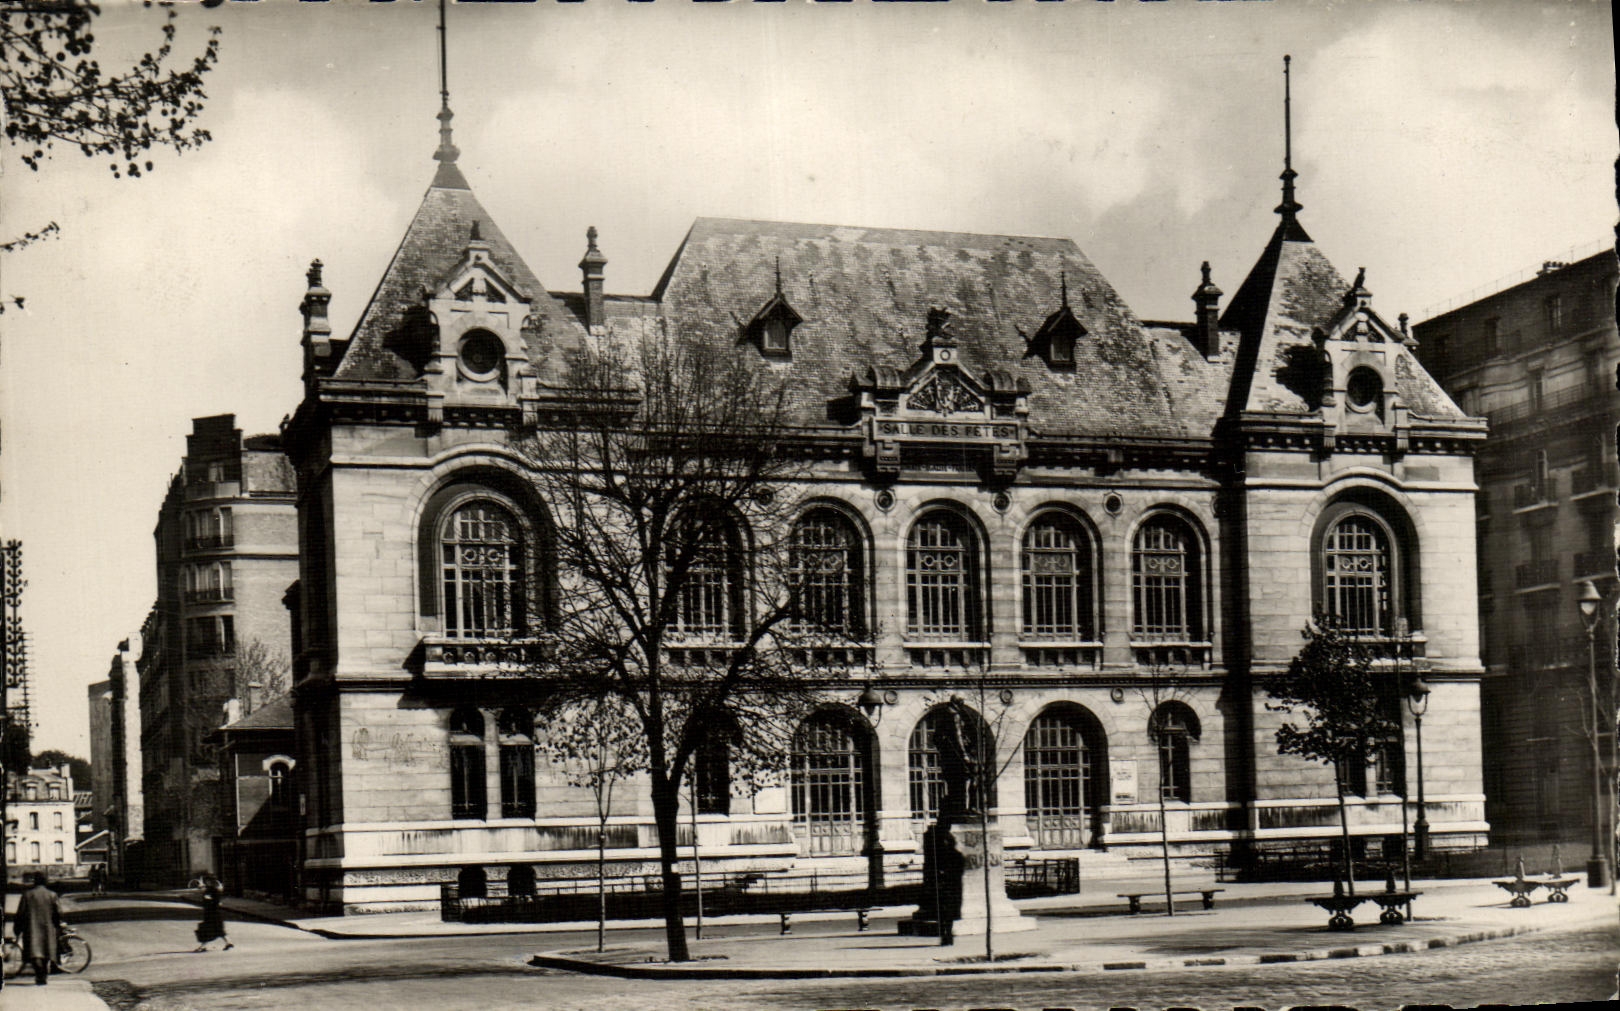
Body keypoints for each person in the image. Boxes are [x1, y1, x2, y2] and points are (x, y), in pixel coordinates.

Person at [16, 872, 62, 986]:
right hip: (48, 927)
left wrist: (18, 928)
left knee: (35, 952)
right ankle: (43, 975)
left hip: (31, 927)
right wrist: (57, 924)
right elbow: (59, 912)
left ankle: (39, 974)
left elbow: (20, 913)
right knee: (46, 950)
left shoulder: (27, 895)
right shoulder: (52, 895)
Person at [194, 873, 233, 952]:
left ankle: (202, 947)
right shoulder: (211, 890)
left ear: (210, 881)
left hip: (213, 914)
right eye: (206, 881)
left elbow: (216, 901)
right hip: (213, 914)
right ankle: (228, 943)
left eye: (207, 881)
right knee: (219, 930)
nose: (206, 883)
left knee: (207, 930)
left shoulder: (213, 890)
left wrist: (209, 900)